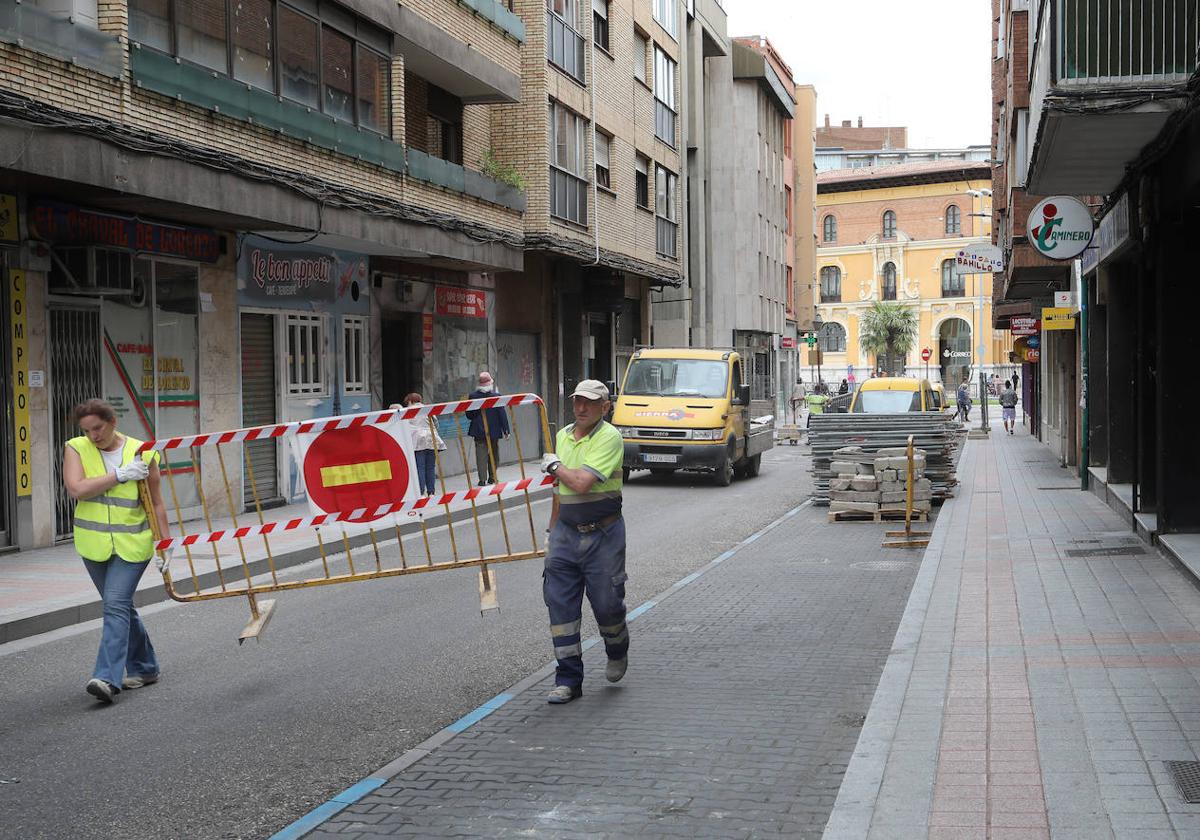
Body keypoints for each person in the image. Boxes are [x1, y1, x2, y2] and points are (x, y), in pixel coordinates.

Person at [62, 399, 169, 704]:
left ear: (112, 422)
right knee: (119, 607)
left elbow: (157, 502)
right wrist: (120, 475)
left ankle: (107, 678)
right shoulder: (76, 447)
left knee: (115, 604)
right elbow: (77, 489)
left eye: (98, 428)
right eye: (87, 430)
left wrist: (165, 544)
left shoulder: (143, 451)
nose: (93, 435)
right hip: (93, 544)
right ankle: (146, 668)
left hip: (132, 544)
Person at [539, 380, 628, 704]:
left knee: (606, 604)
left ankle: (617, 648)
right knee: (560, 606)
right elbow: (559, 492)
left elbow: (580, 483)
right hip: (565, 532)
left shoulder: (609, 437)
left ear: (605, 407)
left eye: (589, 403)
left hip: (603, 535)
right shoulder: (563, 436)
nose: (581, 408)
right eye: (577, 401)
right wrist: (551, 533)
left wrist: (555, 465)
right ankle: (568, 680)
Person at [466, 371, 509, 485]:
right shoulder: (496, 396)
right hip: (494, 430)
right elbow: (502, 414)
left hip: (478, 430)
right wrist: (506, 430)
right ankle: (493, 477)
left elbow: (469, 415)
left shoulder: (473, 396)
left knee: (481, 455)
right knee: (494, 454)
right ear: (490, 383)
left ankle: (482, 479)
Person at [398, 394, 445, 496]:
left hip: (418, 441)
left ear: (410, 401)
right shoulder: (427, 409)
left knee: (420, 467)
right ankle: (431, 492)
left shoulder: (408, 411)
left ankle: (420, 492)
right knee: (431, 467)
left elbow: (405, 426)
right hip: (431, 439)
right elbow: (436, 424)